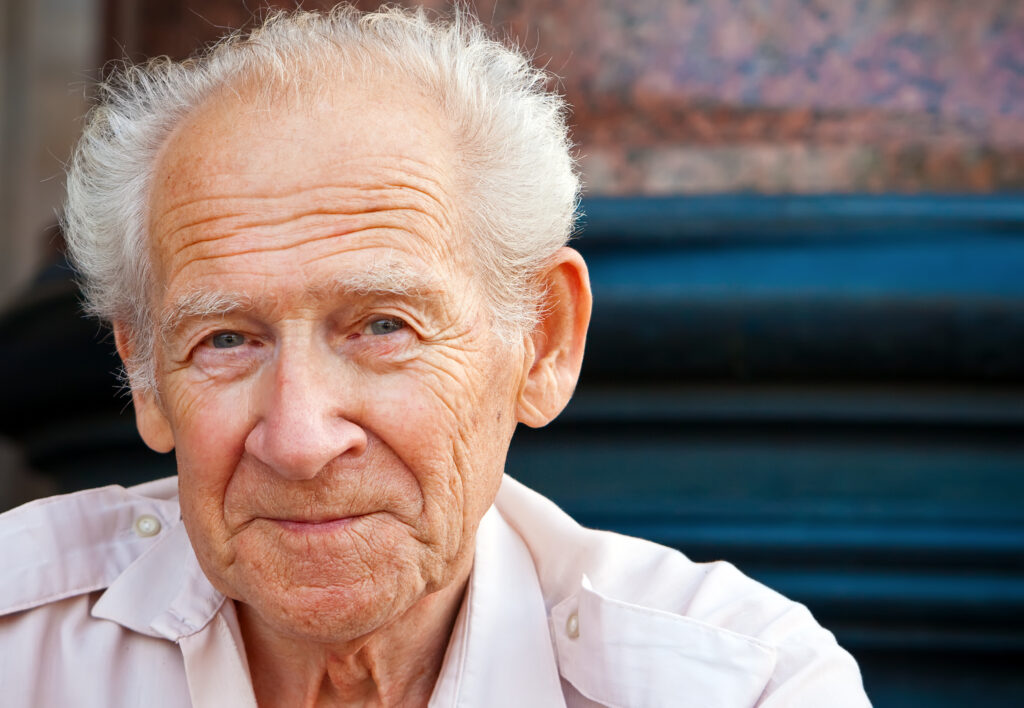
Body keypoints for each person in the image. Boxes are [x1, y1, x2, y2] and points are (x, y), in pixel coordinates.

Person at [0, 6, 870, 707]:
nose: (299, 441)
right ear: (146, 375)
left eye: (384, 327)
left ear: (543, 341)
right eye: (225, 339)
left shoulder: (740, 686)